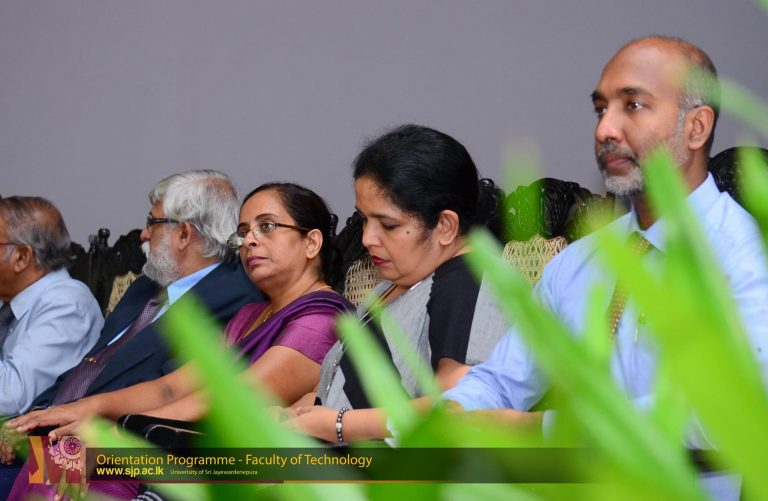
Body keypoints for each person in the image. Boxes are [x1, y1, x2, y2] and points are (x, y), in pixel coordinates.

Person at [442, 37, 768, 499]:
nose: (605, 130)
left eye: (633, 105)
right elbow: (502, 378)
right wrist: (456, 414)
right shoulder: (578, 262)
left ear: (696, 128)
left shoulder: (745, 257)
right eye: (600, 109)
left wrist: (543, 429)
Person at [0, 170, 263, 497]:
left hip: (113, 447)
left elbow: (176, 393)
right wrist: (31, 419)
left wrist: (69, 430)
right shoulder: (146, 286)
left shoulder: (236, 298)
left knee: (39, 479)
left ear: (184, 233)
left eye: (153, 222)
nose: (143, 233)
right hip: (58, 433)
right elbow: (90, 366)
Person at [285, 124, 510, 443]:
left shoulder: (470, 281)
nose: (367, 238)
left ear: (445, 225)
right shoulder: (394, 283)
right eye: (364, 219)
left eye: (388, 225)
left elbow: (460, 408)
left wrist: (337, 425)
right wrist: (295, 414)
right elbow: (343, 391)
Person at [0, 197, 102, 417]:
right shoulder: (9, 296)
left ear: (22, 257)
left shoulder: (66, 305)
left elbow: (10, 398)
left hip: (39, 437)